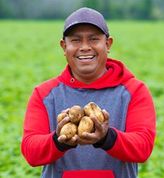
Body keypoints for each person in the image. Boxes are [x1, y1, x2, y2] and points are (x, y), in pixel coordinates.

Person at [21, 7, 156, 178]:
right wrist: (58, 141)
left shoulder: (134, 91)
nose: (85, 47)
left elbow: (142, 148)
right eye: (76, 40)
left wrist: (107, 138)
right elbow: (31, 151)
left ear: (108, 44)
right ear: (64, 47)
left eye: (93, 39)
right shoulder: (45, 94)